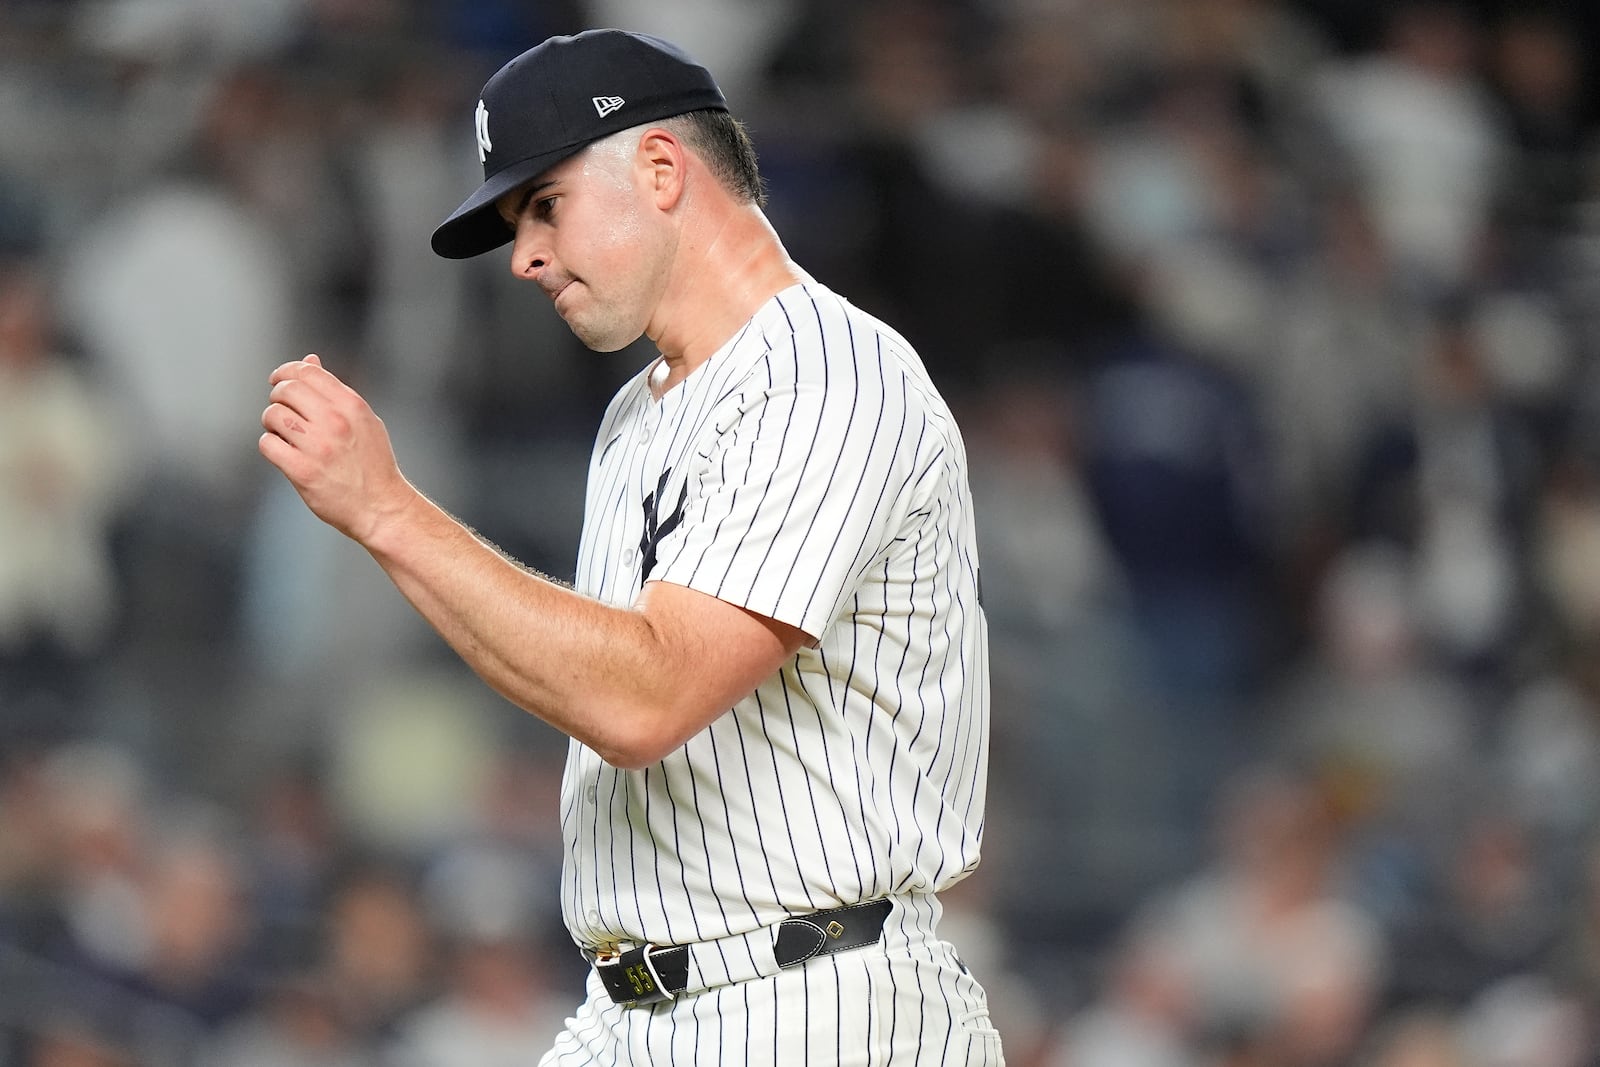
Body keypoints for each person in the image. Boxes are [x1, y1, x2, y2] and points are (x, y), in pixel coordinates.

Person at [258, 28, 1001, 1066]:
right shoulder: (636, 419)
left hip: (811, 1005)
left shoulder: (830, 378)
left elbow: (643, 698)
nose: (523, 255)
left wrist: (388, 510)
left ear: (660, 168)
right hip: (636, 1005)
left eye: (545, 205)